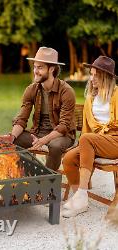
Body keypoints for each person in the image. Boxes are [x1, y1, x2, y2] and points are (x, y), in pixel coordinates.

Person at [62, 56, 118, 218]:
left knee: (87, 138)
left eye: (96, 75)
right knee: (69, 158)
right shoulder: (90, 98)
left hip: (115, 141)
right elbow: (87, 128)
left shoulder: (116, 94)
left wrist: (88, 139)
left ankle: (80, 193)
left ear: (106, 77)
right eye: (91, 74)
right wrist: (80, 145)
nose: (91, 78)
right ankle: (81, 198)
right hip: (96, 141)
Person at [10, 46, 76, 171]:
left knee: (55, 146)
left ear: (51, 69)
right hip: (38, 132)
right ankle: (25, 174)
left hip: (62, 136)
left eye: (40, 67)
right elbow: (21, 119)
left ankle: (47, 181)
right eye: (35, 66)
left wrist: (43, 140)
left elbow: (64, 126)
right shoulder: (31, 89)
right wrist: (11, 137)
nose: (35, 71)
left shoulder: (66, 91)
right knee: (14, 140)